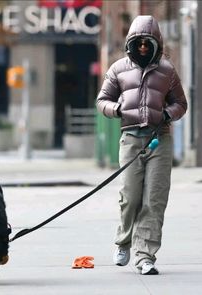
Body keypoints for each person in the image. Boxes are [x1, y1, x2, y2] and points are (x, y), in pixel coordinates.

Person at [96, 15, 187, 275]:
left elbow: (181, 103)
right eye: (139, 43)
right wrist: (118, 108)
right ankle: (124, 241)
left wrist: (168, 114)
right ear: (131, 44)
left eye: (148, 43)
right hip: (131, 139)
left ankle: (145, 255)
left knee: (154, 199)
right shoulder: (118, 69)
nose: (144, 48)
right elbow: (102, 100)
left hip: (160, 138)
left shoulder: (168, 71)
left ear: (156, 43)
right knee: (131, 196)